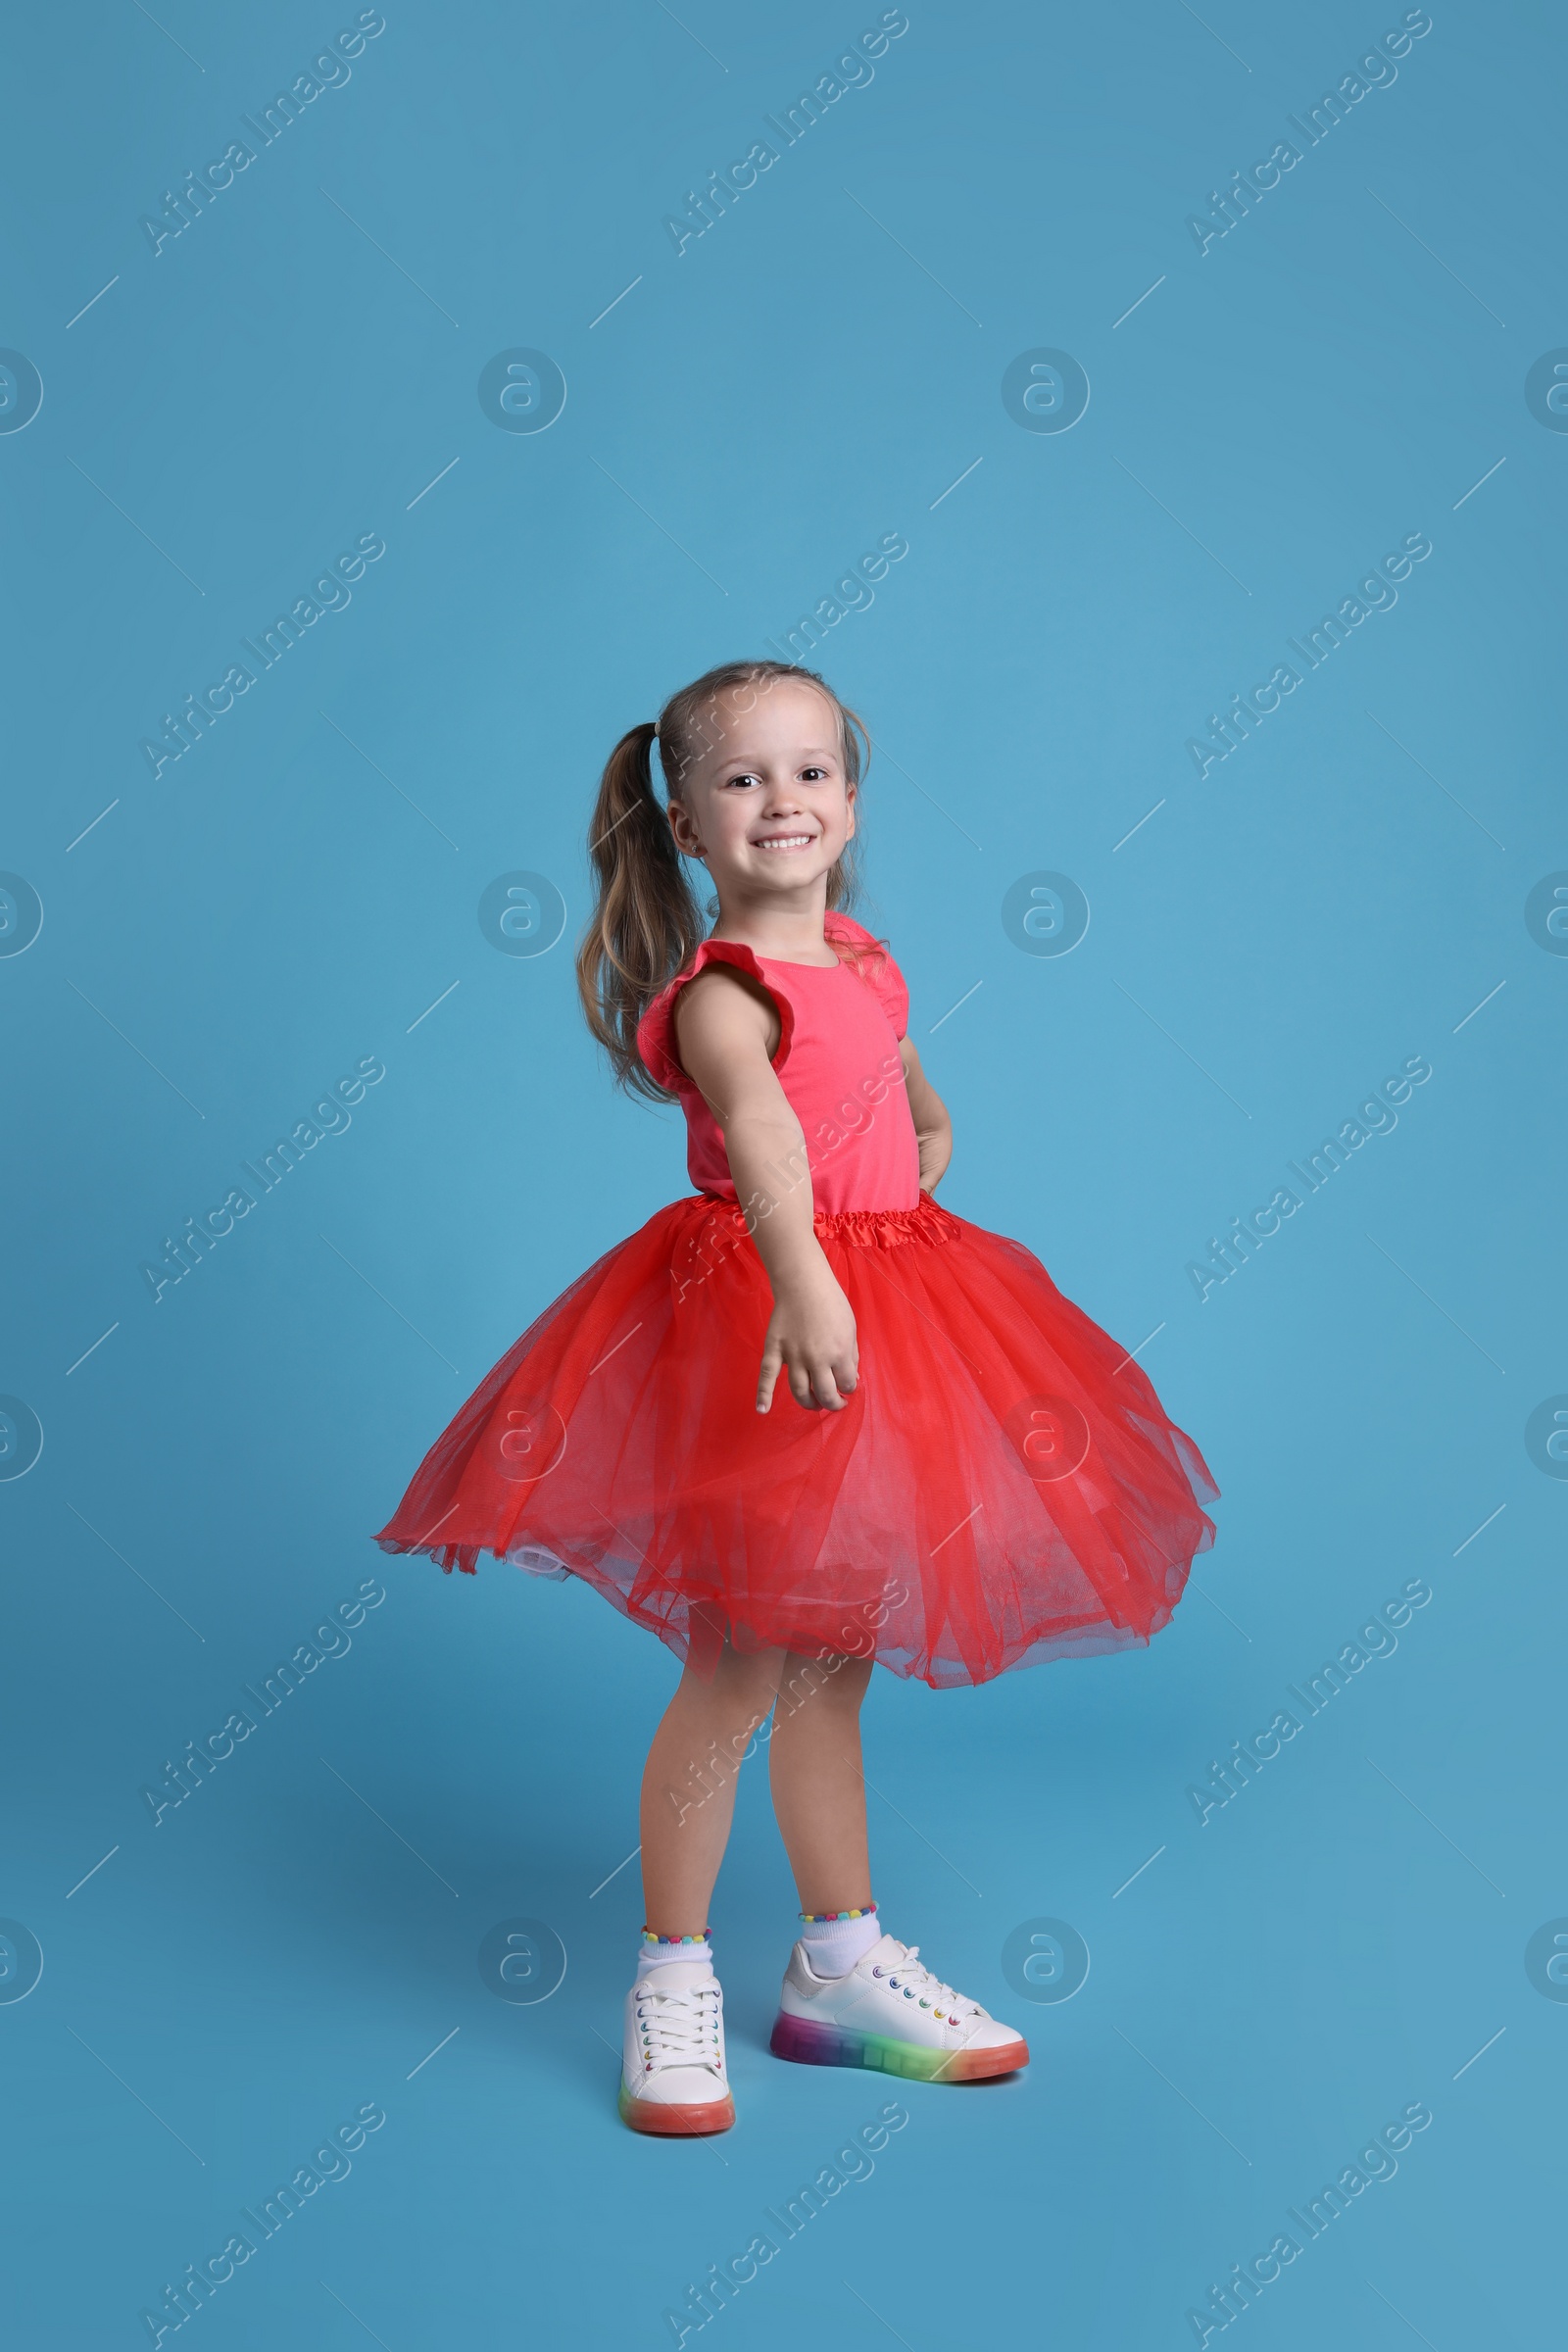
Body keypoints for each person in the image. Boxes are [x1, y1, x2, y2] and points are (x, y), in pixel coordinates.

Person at [376, 659, 1217, 2135]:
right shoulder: (721, 992)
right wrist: (808, 1275)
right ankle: (673, 1971)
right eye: (745, 778)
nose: (787, 800)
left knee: (838, 1664)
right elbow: (765, 1136)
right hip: (766, 1328)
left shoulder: (869, 962)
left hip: (887, 1308)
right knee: (739, 1668)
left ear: (851, 796)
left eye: (814, 771)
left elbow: (899, 1087)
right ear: (687, 824)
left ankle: (835, 1964)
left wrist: (920, 1144)